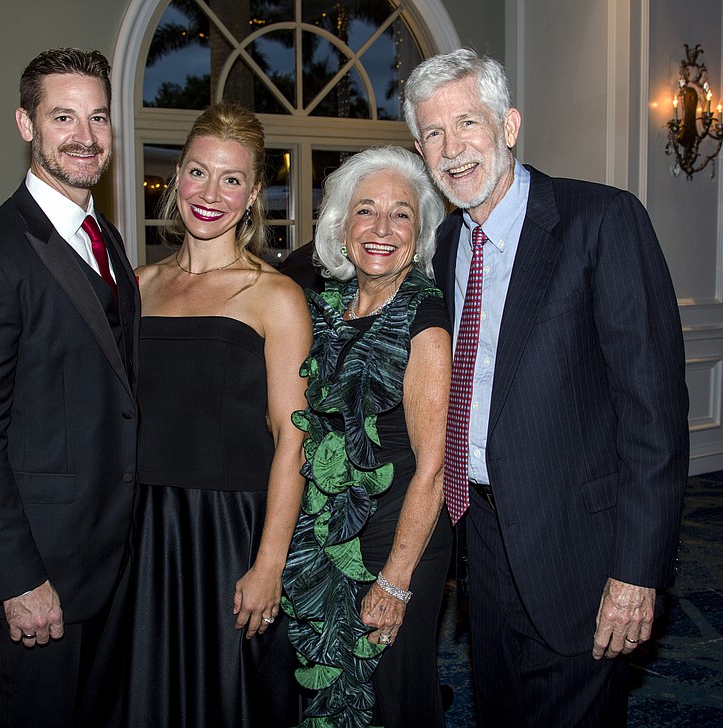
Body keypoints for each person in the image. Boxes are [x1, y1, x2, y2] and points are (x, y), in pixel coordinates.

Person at [403, 49, 690, 727]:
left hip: (581, 550)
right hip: (482, 541)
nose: (453, 149)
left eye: (467, 124)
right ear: (420, 149)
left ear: (508, 126)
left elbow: (654, 415)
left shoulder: (602, 222)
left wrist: (638, 571)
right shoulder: (446, 243)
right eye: (434, 135)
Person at [0, 48, 139, 727]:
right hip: (40, 572)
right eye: (63, 117)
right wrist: (18, 580)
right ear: (26, 124)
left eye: (99, 117)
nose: (85, 135)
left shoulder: (105, 240)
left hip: (112, 561)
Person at [126, 102, 311, 727]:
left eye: (231, 179)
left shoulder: (275, 295)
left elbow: (294, 439)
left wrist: (269, 565)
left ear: (254, 193)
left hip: (228, 532)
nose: (211, 194)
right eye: (198, 172)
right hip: (141, 529)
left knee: (225, 697)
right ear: (175, 175)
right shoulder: (136, 284)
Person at [282, 146, 452, 728]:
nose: (382, 229)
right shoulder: (321, 308)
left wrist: (396, 581)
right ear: (340, 225)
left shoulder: (424, 322)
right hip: (325, 535)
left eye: (401, 213)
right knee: (325, 686)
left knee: (393, 697)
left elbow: (433, 466)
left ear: (420, 230)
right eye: (366, 211)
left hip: (394, 543)